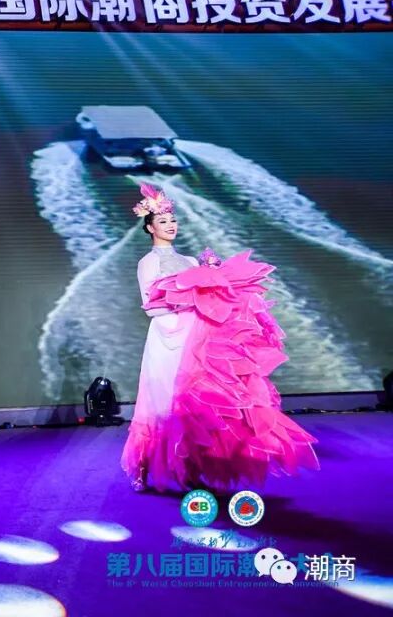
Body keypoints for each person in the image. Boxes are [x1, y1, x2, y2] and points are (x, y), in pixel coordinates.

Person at [121, 184, 319, 493]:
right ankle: (144, 466)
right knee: (162, 402)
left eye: (173, 220)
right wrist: (188, 303)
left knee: (197, 404)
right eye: (163, 221)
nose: (171, 225)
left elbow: (208, 298)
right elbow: (151, 307)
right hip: (167, 338)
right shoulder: (148, 263)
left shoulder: (190, 261)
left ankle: (188, 468)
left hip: (197, 338)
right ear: (149, 227)